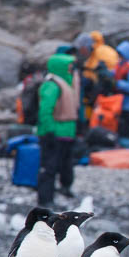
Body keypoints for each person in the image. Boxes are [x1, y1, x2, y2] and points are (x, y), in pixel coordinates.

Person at [36, 53, 80, 207]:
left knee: (65, 164)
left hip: (67, 133)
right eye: (68, 66)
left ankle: (63, 189)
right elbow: (45, 110)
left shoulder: (66, 82)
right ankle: (45, 199)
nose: (70, 69)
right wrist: (49, 131)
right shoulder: (52, 85)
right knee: (50, 167)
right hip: (55, 133)